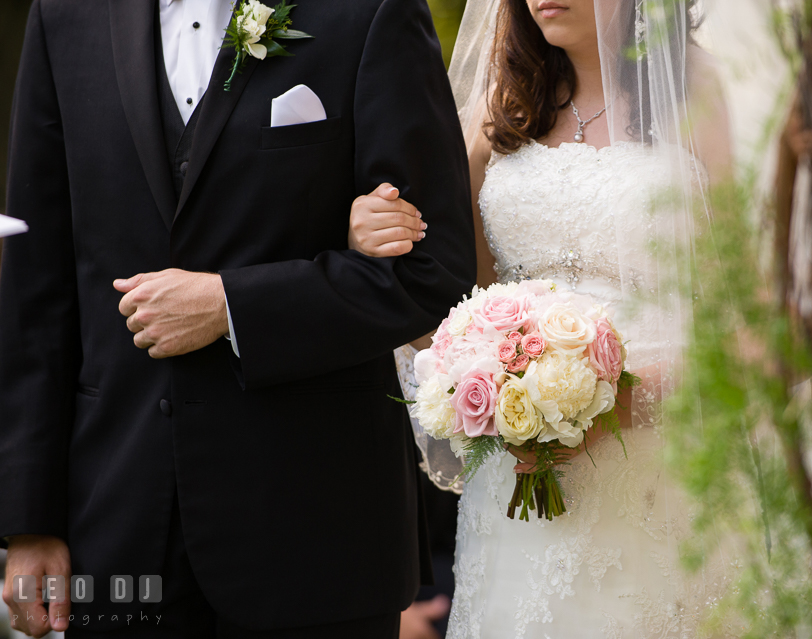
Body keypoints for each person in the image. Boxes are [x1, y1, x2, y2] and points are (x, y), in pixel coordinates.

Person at [0, 0, 475, 637]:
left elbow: (432, 271)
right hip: (116, 523)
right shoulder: (65, 16)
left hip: (317, 532)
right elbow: (37, 288)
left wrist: (231, 307)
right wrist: (30, 519)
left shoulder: (371, 11)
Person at [350, 0, 743, 636]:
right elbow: (447, 294)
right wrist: (370, 235)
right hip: (520, 467)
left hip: (663, 459)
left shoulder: (697, 91)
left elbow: (742, 316)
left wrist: (614, 403)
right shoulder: (501, 106)